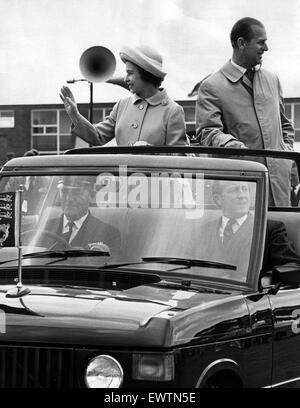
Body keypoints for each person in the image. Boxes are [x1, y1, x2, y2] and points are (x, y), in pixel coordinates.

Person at [195, 17, 294, 207]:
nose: (266, 48)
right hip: (242, 186)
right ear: (241, 43)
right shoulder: (211, 86)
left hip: (279, 186)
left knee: (283, 235)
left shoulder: (272, 79)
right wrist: (230, 144)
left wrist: (286, 157)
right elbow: (207, 132)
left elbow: (285, 126)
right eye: (261, 42)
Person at [60, 45, 189, 147]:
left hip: (158, 181)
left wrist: (152, 152)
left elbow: (179, 159)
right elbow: (98, 137)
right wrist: (75, 116)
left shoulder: (173, 111)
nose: (126, 79)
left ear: (146, 74)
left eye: (130, 73)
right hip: (123, 179)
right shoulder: (122, 105)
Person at [200, 180, 300, 276]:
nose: (242, 196)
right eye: (233, 190)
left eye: (245, 189)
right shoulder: (206, 230)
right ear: (218, 199)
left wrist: (267, 278)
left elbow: (292, 266)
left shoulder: (269, 229)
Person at [40, 176, 121, 255]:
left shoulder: (108, 234)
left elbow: (108, 265)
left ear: (92, 196)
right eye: (64, 192)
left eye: (76, 193)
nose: (69, 199)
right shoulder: (42, 229)